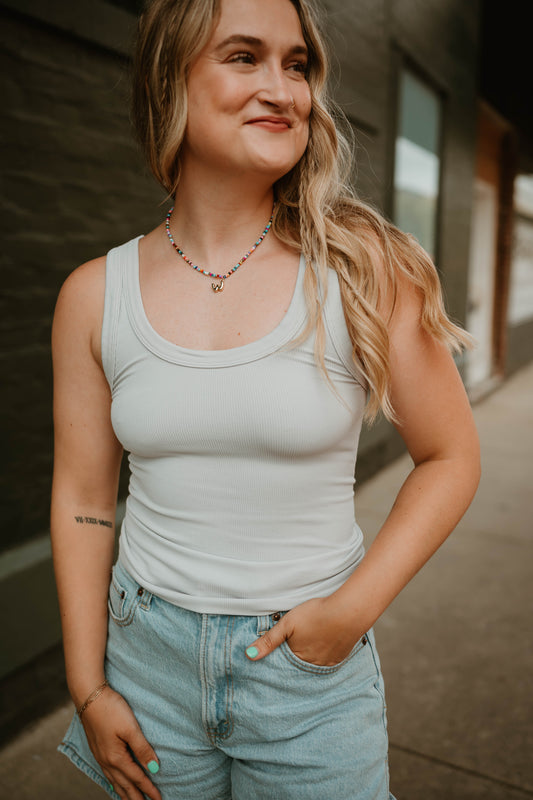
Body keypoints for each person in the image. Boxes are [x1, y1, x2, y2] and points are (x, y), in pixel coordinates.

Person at [51, 0, 480, 798]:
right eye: (244, 57)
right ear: (167, 81)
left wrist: (350, 612)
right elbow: (83, 498)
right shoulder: (92, 295)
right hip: (147, 658)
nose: (283, 89)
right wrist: (90, 686)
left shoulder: (362, 269)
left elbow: (450, 455)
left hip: (306, 673)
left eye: (296, 65)